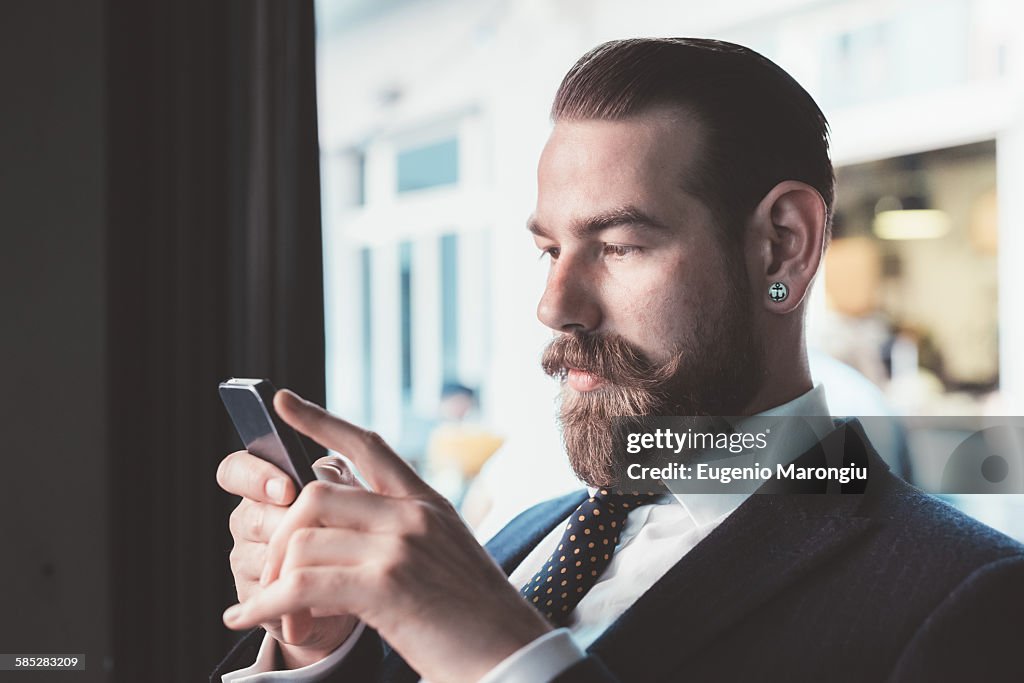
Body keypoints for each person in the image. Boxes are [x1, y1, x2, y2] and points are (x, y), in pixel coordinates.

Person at [211, 38, 1024, 682]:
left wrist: (499, 653)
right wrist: (324, 652)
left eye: (621, 244)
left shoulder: (971, 599)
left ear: (784, 245)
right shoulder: (527, 535)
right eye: (550, 250)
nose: (556, 306)